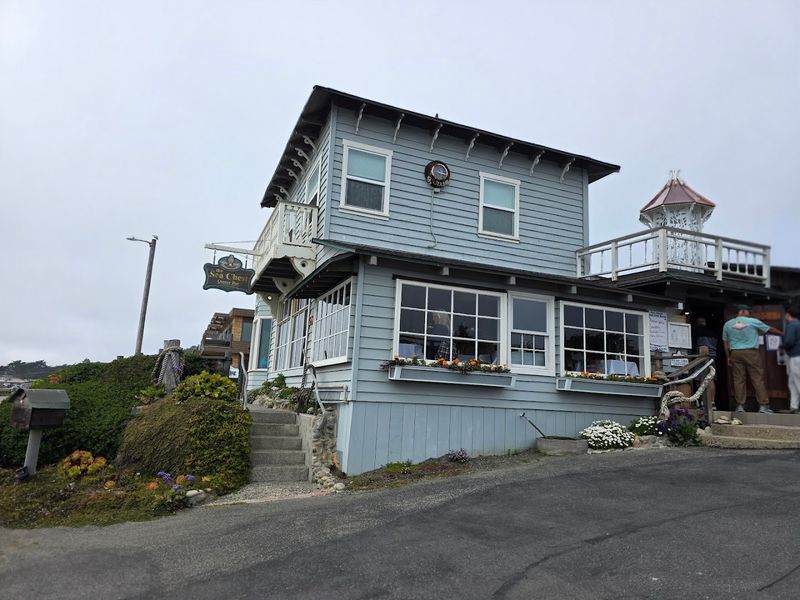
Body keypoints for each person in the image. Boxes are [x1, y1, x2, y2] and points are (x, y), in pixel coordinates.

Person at [722, 304, 783, 413]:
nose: (750, 314)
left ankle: (740, 406)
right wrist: (783, 334)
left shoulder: (728, 324)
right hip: (751, 352)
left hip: (735, 352)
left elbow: (725, 342)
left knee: (738, 380)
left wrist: (728, 356)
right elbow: (770, 329)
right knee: (757, 378)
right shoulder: (752, 321)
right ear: (744, 311)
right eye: (749, 312)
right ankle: (763, 406)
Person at [692, 317, 718, 408]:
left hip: (701, 357)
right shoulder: (713, 333)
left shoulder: (696, 331)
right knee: (711, 379)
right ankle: (712, 402)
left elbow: (694, 344)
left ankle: (703, 401)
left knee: (700, 378)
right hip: (712, 357)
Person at [781, 305, 800, 414]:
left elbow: (789, 341)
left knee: (796, 381)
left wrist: (781, 346)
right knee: (792, 382)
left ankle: (794, 406)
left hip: (796, 356)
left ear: (788, 315)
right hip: (796, 355)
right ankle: (794, 406)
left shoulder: (792, 325)